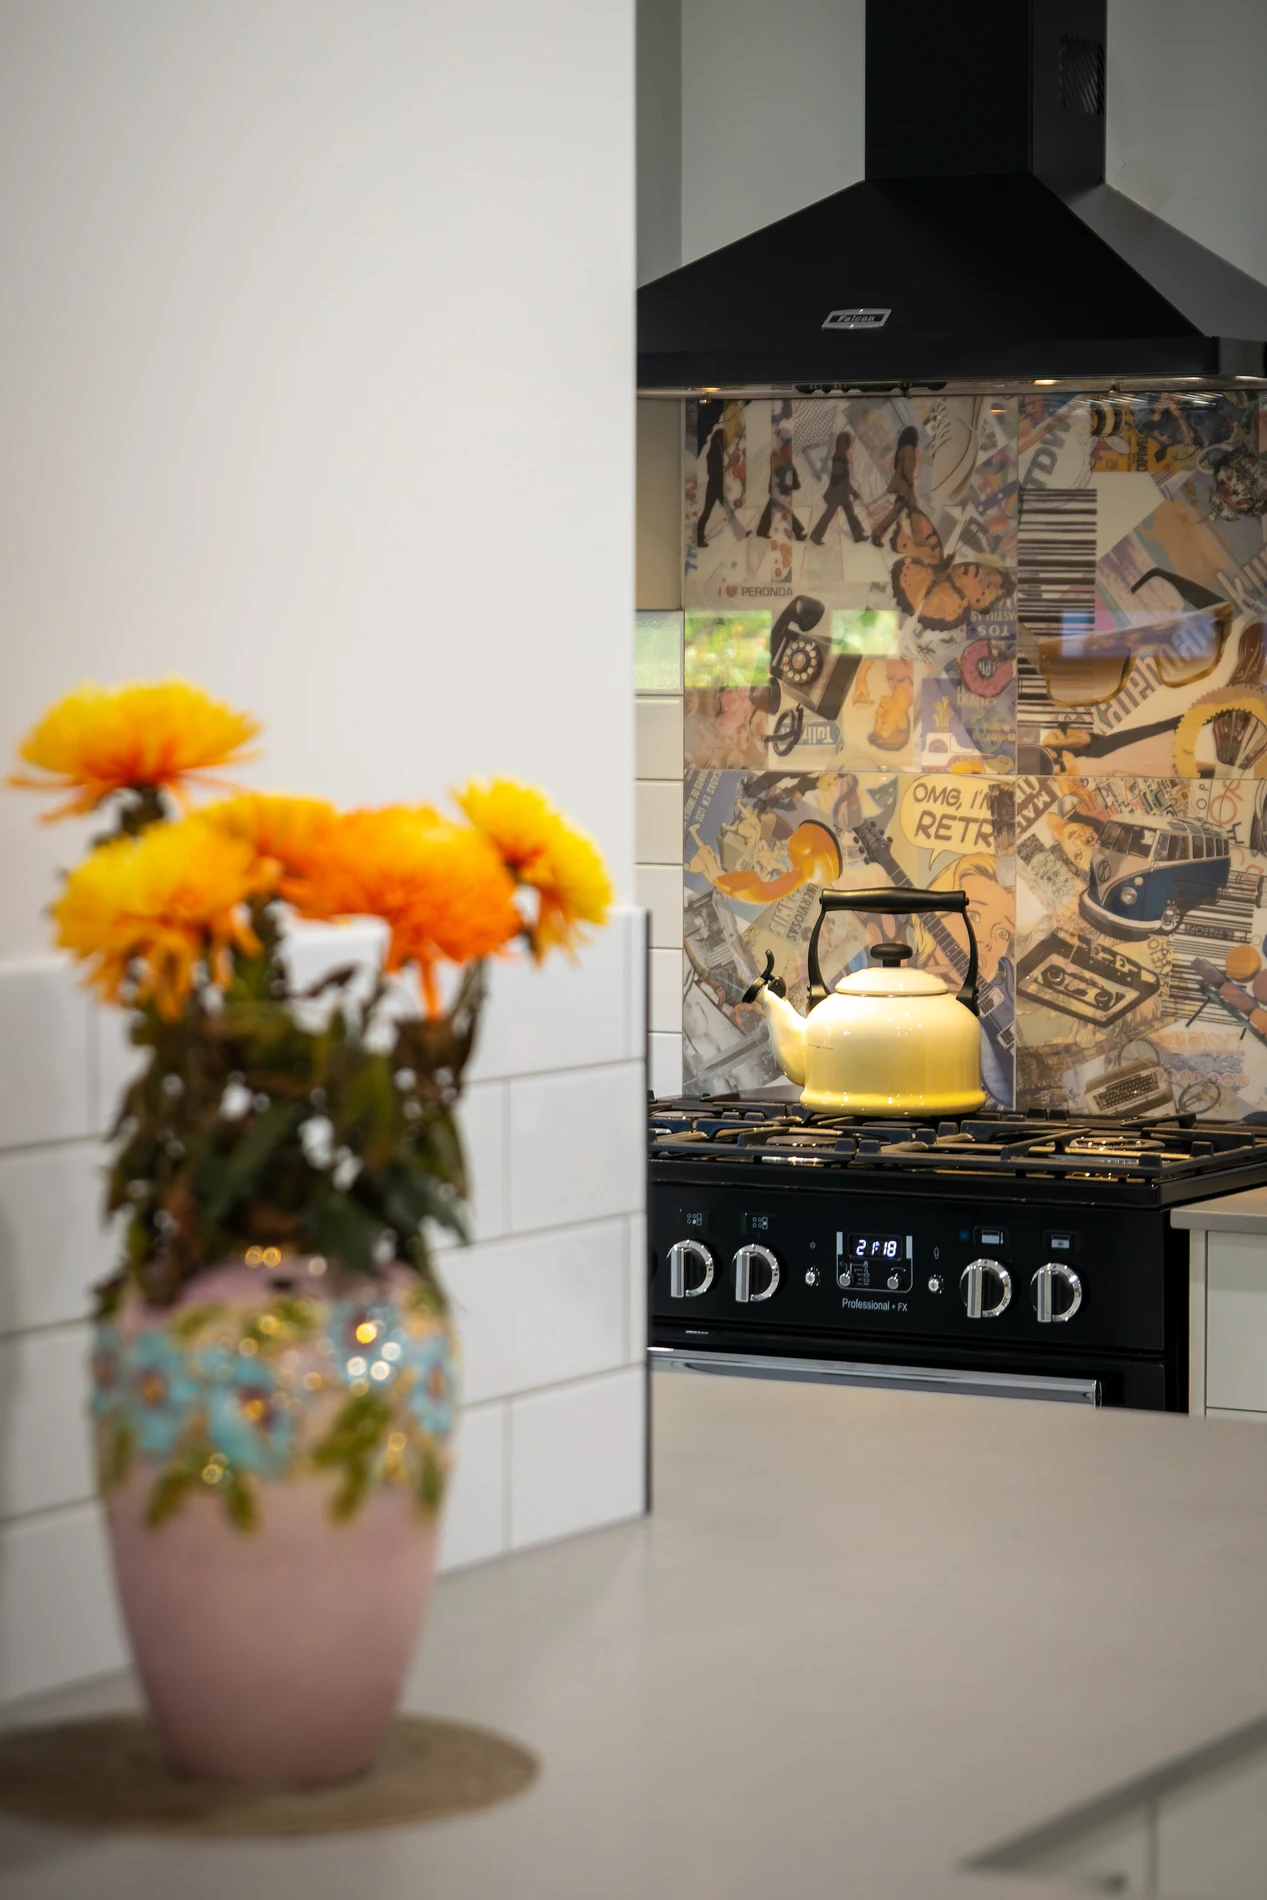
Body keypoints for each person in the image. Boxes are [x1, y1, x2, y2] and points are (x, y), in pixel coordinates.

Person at [809, 431, 867, 545]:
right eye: (850, 445)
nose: (851, 447)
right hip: (837, 494)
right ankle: (816, 535)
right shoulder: (840, 460)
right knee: (829, 515)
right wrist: (854, 493)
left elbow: (842, 480)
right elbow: (842, 481)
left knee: (850, 513)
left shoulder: (840, 458)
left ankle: (858, 535)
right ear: (845, 445)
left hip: (841, 494)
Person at [870, 424, 921, 547]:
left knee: (903, 512)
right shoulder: (909, 449)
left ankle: (917, 538)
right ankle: (877, 534)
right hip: (906, 486)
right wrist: (911, 483)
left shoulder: (903, 449)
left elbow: (898, 467)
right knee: (904, 512)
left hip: (903, 485)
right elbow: (907, 469)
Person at [696, 422, 746, 547]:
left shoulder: (716, 450)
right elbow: (715, 472)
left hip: (715, 486)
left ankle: (740, 532)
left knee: (723, 511)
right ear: (719, 439)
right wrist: (730, 465)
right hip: (714, 486)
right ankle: (699, 538)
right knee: (708, 513)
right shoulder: (713, 453)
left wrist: (730, 464)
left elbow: (719, 470)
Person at [755, 442, 807, 542]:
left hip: (778, 494)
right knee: (785, 513)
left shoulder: (784, 463)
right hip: (779, 494)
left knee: (770, 512)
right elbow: (782, 481)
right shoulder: (781, 464)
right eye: (789, 449)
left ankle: (761, 531)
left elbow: (789, 479)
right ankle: (798, 532)